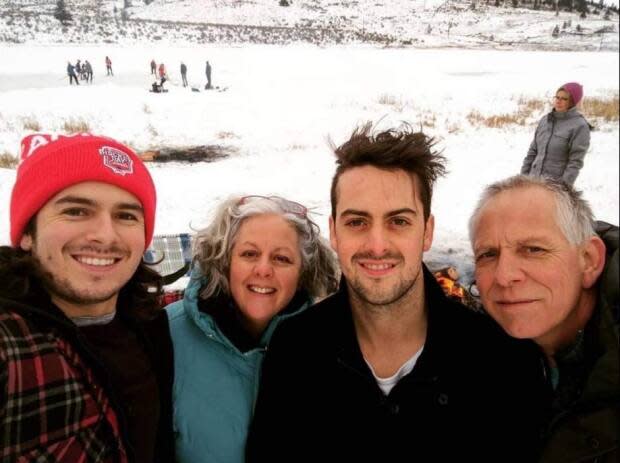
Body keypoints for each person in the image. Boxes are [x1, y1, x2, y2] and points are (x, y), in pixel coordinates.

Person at [246, 123, 549, 462]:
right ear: (334, 232)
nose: (377, 246)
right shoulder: (296, 350)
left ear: (427, 232)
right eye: (357, 222)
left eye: (399, 222)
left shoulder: (501, 361)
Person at [0, 133, 174, 462]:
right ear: (26, 233)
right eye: (77, 211)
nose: (105, 235)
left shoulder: (150, 323)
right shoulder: (12, 345)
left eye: (126, 216)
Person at [166, 195, 339, 463]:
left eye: (281, 258)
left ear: (303, 272)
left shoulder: (331, 345)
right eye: (249, 254)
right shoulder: (166, 335)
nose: (263, 269)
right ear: (225, 262)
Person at [469, 175, 619, 463]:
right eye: (488, 254)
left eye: (533, 250)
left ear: (589, 260)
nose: (504, 276)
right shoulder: (484, 347)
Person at [521, 82, 591, 185]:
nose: (558, 101)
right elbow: (532, 152)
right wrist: (523, 178)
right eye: (557, 97)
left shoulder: (580, 126)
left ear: (572, 102)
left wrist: (563, 188)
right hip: (532, 182)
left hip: (554, 186)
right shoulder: (545, 120)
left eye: (564, 99)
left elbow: (575, 162)